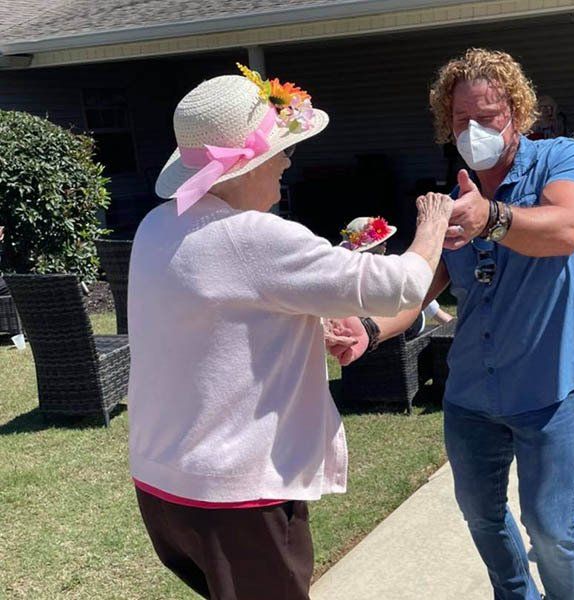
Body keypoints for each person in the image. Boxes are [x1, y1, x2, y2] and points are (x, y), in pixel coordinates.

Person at [126, 64, 453, 600]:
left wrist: (308, 321)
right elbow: (401, 285)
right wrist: (434, 220)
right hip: (236, 500)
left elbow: (216, 322)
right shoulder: (256, 237)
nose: (286, 161)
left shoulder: (156, 226)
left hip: (164, 486)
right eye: (279, 149)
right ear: (245, 165)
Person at [328, 48, 574, 600]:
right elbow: (421, 284)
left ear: (517, 114)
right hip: (471, 396)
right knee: (483, 518)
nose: (474, 129)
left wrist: (493, 219)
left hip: (548, 391)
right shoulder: (455, 201)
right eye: (461, 121)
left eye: (488, 116)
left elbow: (567, 228)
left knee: (552, 530)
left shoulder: (563, 160)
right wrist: (370, 328)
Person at [338, 215, 454, 338]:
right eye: (382, 241)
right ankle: (442, 317)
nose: (386, 243)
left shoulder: (349, 273)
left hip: (370, 329)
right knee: (413, 281)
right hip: (406, 326)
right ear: (372, 247)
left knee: (409, 283)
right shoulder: (385, 268)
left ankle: (442, 316)